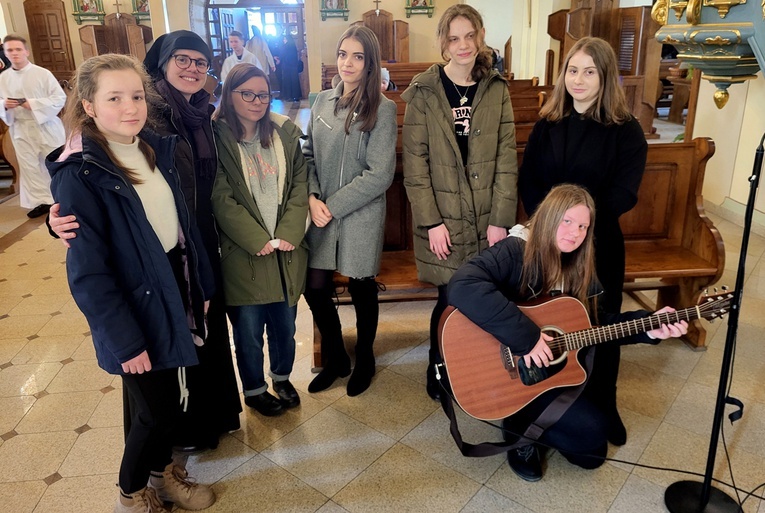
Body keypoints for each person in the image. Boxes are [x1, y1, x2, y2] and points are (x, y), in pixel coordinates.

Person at [49, 30, 243, 451]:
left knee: (203, 335)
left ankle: (207, 422)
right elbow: (86, 175)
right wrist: (58, 218)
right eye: (183, 60)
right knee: (154, 356)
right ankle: (164, 447)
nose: (192, 68)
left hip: (196, 238)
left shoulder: (202, 109)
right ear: (163, 63)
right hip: (148, 252)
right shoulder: (143, 112)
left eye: (200, 61)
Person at [448, 184, 687, 482]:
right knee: (590, 432)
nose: (575, 233)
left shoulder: (579, 265)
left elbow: (599, 323)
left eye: (583, 226)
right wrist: (528, 338)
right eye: (567, 222)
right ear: (549, 217)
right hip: (515, 368)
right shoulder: (515, 250)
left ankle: (531, 417)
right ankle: (519, 425)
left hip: (551, 372)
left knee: (592, 455)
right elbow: (462, 285)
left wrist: (650, 325)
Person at [517, 36, 648, 447]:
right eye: (573, 70)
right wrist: (552, 227)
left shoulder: (625, 131)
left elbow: (625, 192)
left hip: (599, 242)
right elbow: (530, 180)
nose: (578, 79)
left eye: (589, 71)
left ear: (605, 76)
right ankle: (551, 399)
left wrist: (579, 224)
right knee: (554, 322)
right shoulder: (548, 123)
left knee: (603, 326)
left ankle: (605, 404)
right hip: (549, 243)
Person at [401, 4, 518, 401]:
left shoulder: (497, 88)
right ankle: (440, 367)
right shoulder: (423, 91)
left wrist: (501, 219)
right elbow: (414, 165)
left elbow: (506, 157)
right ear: (443, 43)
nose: (463, 45)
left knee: (484, 296)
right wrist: (431, 222)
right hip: (444, 221)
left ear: (481, 36)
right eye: (454, 38)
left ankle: (476, 370)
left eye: (470, 36)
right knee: (450, 298)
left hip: (488, 215)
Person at [302, 25, 396, 396]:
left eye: (358, 56)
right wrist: (312, 197)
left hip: (360, 213)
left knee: (361, 287)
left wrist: (332, 206)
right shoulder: (322, 102)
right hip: (322, 211)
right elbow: (307, 156)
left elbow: (380, 174)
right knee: (314, 287)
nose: (348, 63)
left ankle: (366, 357)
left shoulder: (382, 109)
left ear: (370, 63)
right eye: (343, 54)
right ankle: (337, 355)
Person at [211, 64, 308, 417]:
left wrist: (289, 231)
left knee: (285, 326)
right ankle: (254, 389)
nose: (256, 101)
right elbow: (221, 196)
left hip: (284, 251)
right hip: (244, 252)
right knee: (249, 333)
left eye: (263, 94)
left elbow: (300, 184)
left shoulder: (282, 133)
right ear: (230, 95)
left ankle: (282, 378)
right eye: (247, 94)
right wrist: (256, 237)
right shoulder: (217, 137)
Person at [0, 35, 66, 218]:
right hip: (21, 128)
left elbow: (59, 98)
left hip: (46, 125)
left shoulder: (42, 74)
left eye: (18, 49)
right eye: (10, 50)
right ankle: (43, 201)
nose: (14, 53)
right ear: (5, 53)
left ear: (26, 51)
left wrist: (32, 103)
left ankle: (65, 197)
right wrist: (4, 104)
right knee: (30, 167)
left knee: (56, 162)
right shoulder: (3, 78)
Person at [277, 35, 302, 102]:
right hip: (294, 66)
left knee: (287, 81)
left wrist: (278, 59)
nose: (284, 40)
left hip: (286, 66)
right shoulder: (293, 46)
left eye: (285, 39)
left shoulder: (285, 47)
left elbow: (282, 55)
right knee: (295, 81)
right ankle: (296, 96)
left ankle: (288, 96)